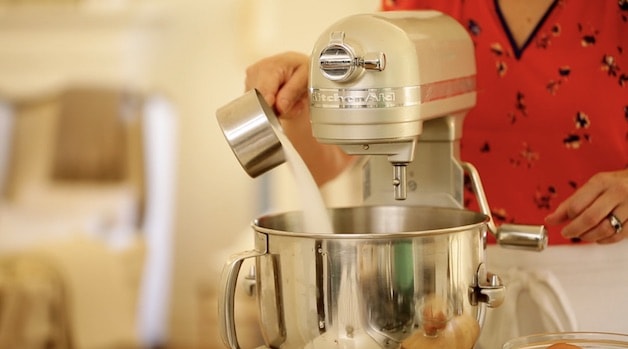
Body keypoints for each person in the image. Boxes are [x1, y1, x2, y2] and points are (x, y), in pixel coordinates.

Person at [244, 0, 628, 347]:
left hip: (603, 297)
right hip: (445, 305)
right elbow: (325, 161)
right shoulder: (419, 8)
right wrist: (295, 104)